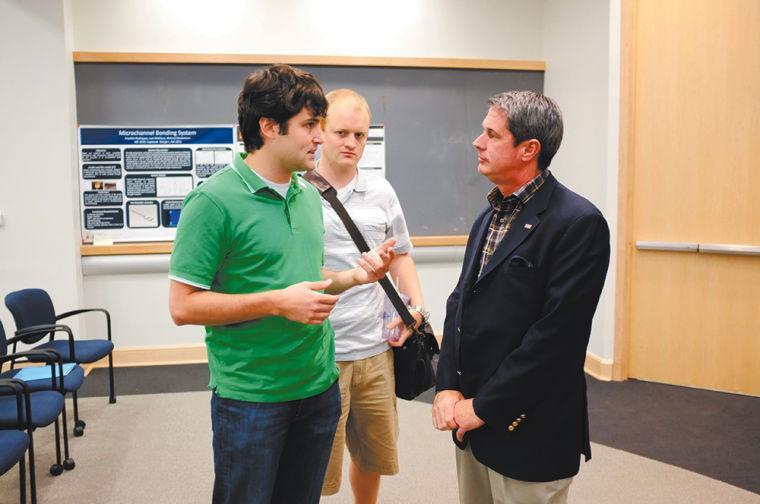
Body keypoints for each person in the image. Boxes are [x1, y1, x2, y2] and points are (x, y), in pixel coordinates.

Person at [168, 65, 395, 504]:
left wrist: (353, 277)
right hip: (252, 399)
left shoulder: (308, 195)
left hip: (318, 387)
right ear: (269, 127)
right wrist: (275, 302)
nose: (320, 138)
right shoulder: (212, 202)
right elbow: (183, 306)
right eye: (310, 125)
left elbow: (306, 281)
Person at [432, 90, 610, 504]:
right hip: (472, 424)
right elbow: (462, 303)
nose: (478, 142)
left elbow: (555, 338)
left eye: (492, 134)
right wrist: (446, 388)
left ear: (529, 149)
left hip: (529, 428)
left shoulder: (578, 223)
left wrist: (483, 406)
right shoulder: (490, 214)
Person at [314, 89, 427, 504]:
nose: (352, 143)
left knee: (373, 455)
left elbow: (401, 258)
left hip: (376, 351)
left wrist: (415, 307)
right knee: (317, 463)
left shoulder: (382, 191)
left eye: (361, 135)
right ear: (320, 131)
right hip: (321, 350)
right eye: (341, 132)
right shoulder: (298, 193)